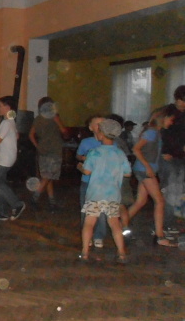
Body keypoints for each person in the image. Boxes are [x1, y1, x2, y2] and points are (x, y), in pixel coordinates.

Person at [79, 119, 132, 263]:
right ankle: (121, 253)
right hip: (113, 194)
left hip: (95, 194)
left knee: (89, 222)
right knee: (115, 224)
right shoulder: (120, 153)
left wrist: (80, 167)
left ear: (101, 134)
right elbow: (128, 173)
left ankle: (85, 252)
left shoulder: (94, 152)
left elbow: (87, 171)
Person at [127, 106, 178, 248]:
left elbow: (149, 150)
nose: (171, 123)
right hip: (145, 171)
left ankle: (119, 224)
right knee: (160, 201)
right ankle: (159, 236)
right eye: (170, 120)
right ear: (163, 118)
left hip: (144, 170)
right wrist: (148, 167)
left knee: (140, 201)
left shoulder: (156, 132)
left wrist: (161, 157)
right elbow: (136, 149)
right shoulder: (151, 132)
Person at [0, 96, 25, 221]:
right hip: (4, 157)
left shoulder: (6, 123)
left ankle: (17, 204)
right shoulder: (10, 121)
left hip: (5, 158)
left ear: (7, 107)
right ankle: (1, 211)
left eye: (0, 106)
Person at [29, 96, 67, 211]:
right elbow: (64, 131)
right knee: (49, 176)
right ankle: (35, 197)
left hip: (42, 150)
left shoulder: (38, 119)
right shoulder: (54, 117)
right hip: (54, 150)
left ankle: (52, 203)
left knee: (47, 177)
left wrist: (37, 146)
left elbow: (31, 135)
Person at [76, 115, 108, 247]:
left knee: (102, 211)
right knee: (86, 209)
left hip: (104, 182)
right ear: (90, 127)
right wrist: (84, 158)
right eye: (97, 124)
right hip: (87, 181)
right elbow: (79, 155)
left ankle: (99, 235)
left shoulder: (109, 142)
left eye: (103, 123)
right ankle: (87, 235)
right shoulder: (86, 142)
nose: (100, 126)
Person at [159, 85, 185, 237]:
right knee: (169, 190)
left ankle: (173, 221)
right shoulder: (167, 112)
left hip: (181, 157)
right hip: (168, 157)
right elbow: (158, 133)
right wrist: (164, 151)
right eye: (183, 101)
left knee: (179, 191)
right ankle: (165, 224)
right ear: (177, 99)